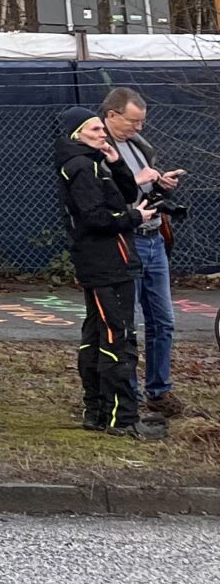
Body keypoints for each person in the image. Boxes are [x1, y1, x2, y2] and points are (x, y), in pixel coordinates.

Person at [58, 107, 148, 435]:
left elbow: (125, 194)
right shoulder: (80, 167)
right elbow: (95, 218)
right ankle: (121, 420)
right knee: (117, 338)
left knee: (97, 336)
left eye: (101, 129)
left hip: (110, 263)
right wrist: (133, 218)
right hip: (105, 265)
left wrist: (115, 162)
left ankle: (96, 412)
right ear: (76, 134)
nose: (102, 134)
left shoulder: (95, 164)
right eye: (95, 130)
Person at [102, 86, 186, 417]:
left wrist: (159, 183)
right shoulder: (99, 147)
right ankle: (128, 392)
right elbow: (104, 194)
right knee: (127, 322)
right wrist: (137, 179)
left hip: (154, 238)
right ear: (112, 115)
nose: (139, 128)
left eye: (142, 122)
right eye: (133, 121)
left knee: (163, 320)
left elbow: (142, 186)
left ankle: (159, 390)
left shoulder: (139, 145)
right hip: (127, 240)